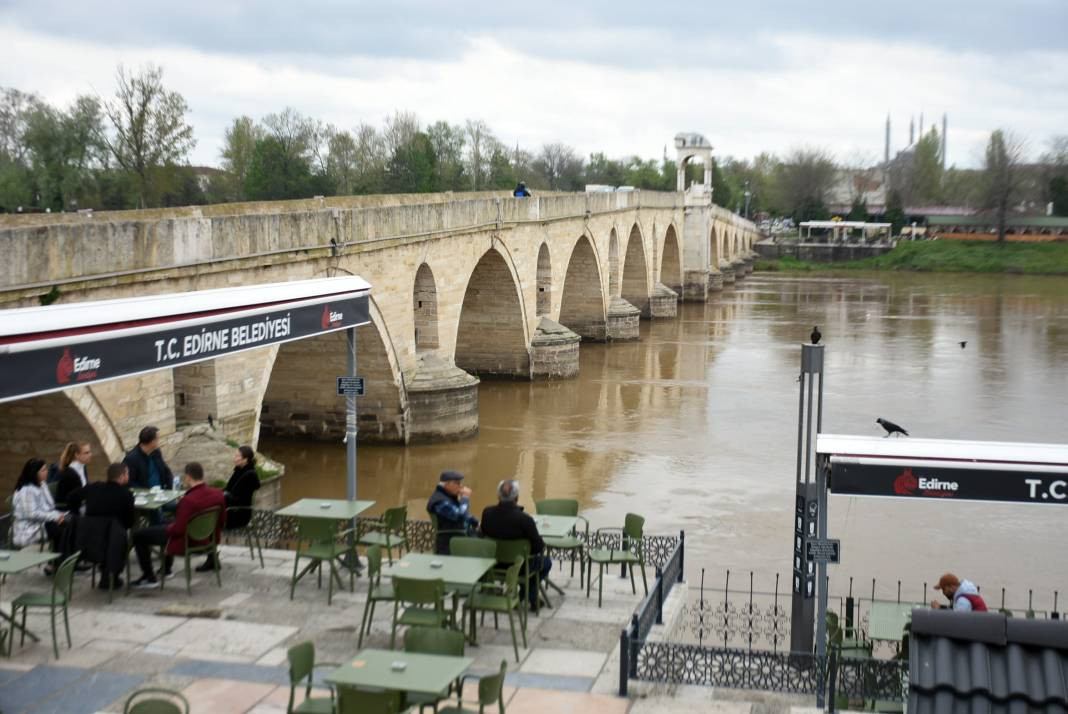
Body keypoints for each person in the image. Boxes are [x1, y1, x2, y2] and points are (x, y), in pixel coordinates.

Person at [131, 462, 226, 589]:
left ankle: (149, 577)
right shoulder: (217, 494)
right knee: (163, 525)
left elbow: (178, 530)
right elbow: (222, 519)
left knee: (139, 535)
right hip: (207, 539)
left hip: (188, 540)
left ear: (188, 477)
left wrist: (167, 527)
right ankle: (166, 569)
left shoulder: (188, 500)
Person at [479, 479, 552, 609]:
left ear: (498, 496)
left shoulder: (487, 513)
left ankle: (526, 595)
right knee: (546, 562)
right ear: (517, 497)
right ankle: (527, 595)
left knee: (531, 563)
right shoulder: (525, 519)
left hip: (493, 564)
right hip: (519, 567)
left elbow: (482, 535)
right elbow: (538, 547)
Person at [67, 463, 135, 589]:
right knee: (121, 535)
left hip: (88, 538)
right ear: (122, 476)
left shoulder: (94, 487)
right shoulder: (126, 494)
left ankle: (105, 572)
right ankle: (111, 575)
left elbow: (71, 497)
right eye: (127, 474)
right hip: (113, 542)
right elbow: (129, 522)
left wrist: (78, 516)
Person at [197, 445, 261, 572]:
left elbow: (235, 499)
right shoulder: (239, 470)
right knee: (206, 516)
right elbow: (227, 492)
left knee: (208, 521)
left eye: (237, 456)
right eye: (235, 455)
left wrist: (214, 497)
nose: (234, 458)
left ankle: (210, 558)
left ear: (246, 460)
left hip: (239, 514)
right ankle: (210, 555)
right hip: (231, 510)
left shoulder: (250, 475)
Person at [11, 458, 69, 574]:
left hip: (43, 521)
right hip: (29, 526)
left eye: (46, 469)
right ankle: (56, 564)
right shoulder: (26, 490)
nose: (46, 472)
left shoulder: (41, 484)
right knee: (60, 530)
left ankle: (64, 562)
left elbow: (49, 507)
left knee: (71, 522)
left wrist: (60, 515)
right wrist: (55, 517)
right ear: (34, 473)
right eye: (43, 470)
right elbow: (32, 514)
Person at [426, 470, 478, 555]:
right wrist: (465, 498)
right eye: (457, 483)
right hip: (451, 539)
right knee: (486, 544)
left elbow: (460, 513)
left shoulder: (448, 496)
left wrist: (475, 522)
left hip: (459, 535)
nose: (460, 486)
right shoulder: (439, 501)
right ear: (447, 484)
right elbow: (459, 516)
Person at [123, 426, 174, 491]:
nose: (159, 441)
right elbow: (129, 482)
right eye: (158, 439)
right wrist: (146, 492)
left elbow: (166, 471)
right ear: (152, 442)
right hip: (145, 497)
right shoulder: (131, 458)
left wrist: (169, 489)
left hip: (162, 493)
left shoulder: (156, 452)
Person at [55, 441, 93, 509]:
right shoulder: (69, 473)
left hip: (81, 505)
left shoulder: (83, 467)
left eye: (90, 452)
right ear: (77, 455)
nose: (90, 454)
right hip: (70, 510)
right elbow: (77, 497)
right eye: (86, 453)